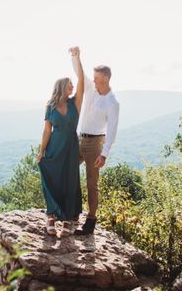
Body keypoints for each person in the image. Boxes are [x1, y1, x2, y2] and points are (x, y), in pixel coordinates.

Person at [70, 46, 120, 235]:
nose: (94, 81)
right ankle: (73, 211)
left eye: (97, 79)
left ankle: (90, 220)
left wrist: (104, 154)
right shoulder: (91, 87)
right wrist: (76, 56)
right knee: (68, 170)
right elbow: (79, 73)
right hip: (79, 138)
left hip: (95, 143)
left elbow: (112, 130)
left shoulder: (113, 103)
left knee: (92, 182)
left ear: (106, 79)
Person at [37, 49, 84, 237]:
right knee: (52, 181)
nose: (72, 87)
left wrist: (77, 58)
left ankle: (66, 220)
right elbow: (47, 130)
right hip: (54, 148)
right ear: (62, 87)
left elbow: (82, 80)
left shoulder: (75, 104)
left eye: (73, 85)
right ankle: (50, 216)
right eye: (69, 85)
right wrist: (41, 151)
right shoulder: (50, 106)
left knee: (70, 182)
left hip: (71, 148)